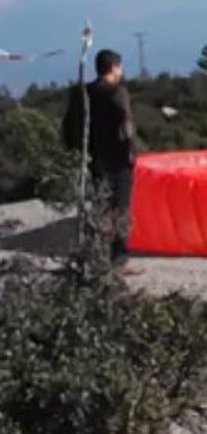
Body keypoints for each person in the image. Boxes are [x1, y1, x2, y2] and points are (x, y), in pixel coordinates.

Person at [61, 48, 142, 274]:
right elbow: (126, 124)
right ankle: (119, 257)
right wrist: (132, 150)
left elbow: (69, 127)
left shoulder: (82, 94)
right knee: (120, 209)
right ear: (114, 68)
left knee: (100, 208)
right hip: (118, 160)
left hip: (94, 159)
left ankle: (96, 255)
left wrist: (76, 152)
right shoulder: (117, 92)